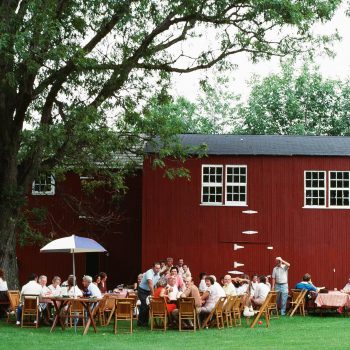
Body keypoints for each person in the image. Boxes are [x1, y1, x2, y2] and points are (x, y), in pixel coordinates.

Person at [137, 261, 161, 327]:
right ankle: (140, 323)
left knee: (147, 306)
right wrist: (153, 295)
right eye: (156, 268)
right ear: (153, 268)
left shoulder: (158, 273)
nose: (158, 269)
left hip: (148, 291)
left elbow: (156, 284)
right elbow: (150, 284)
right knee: (144, 305)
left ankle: (144, 323)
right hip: (142, 290)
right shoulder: (149, 272)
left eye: (159, 268)